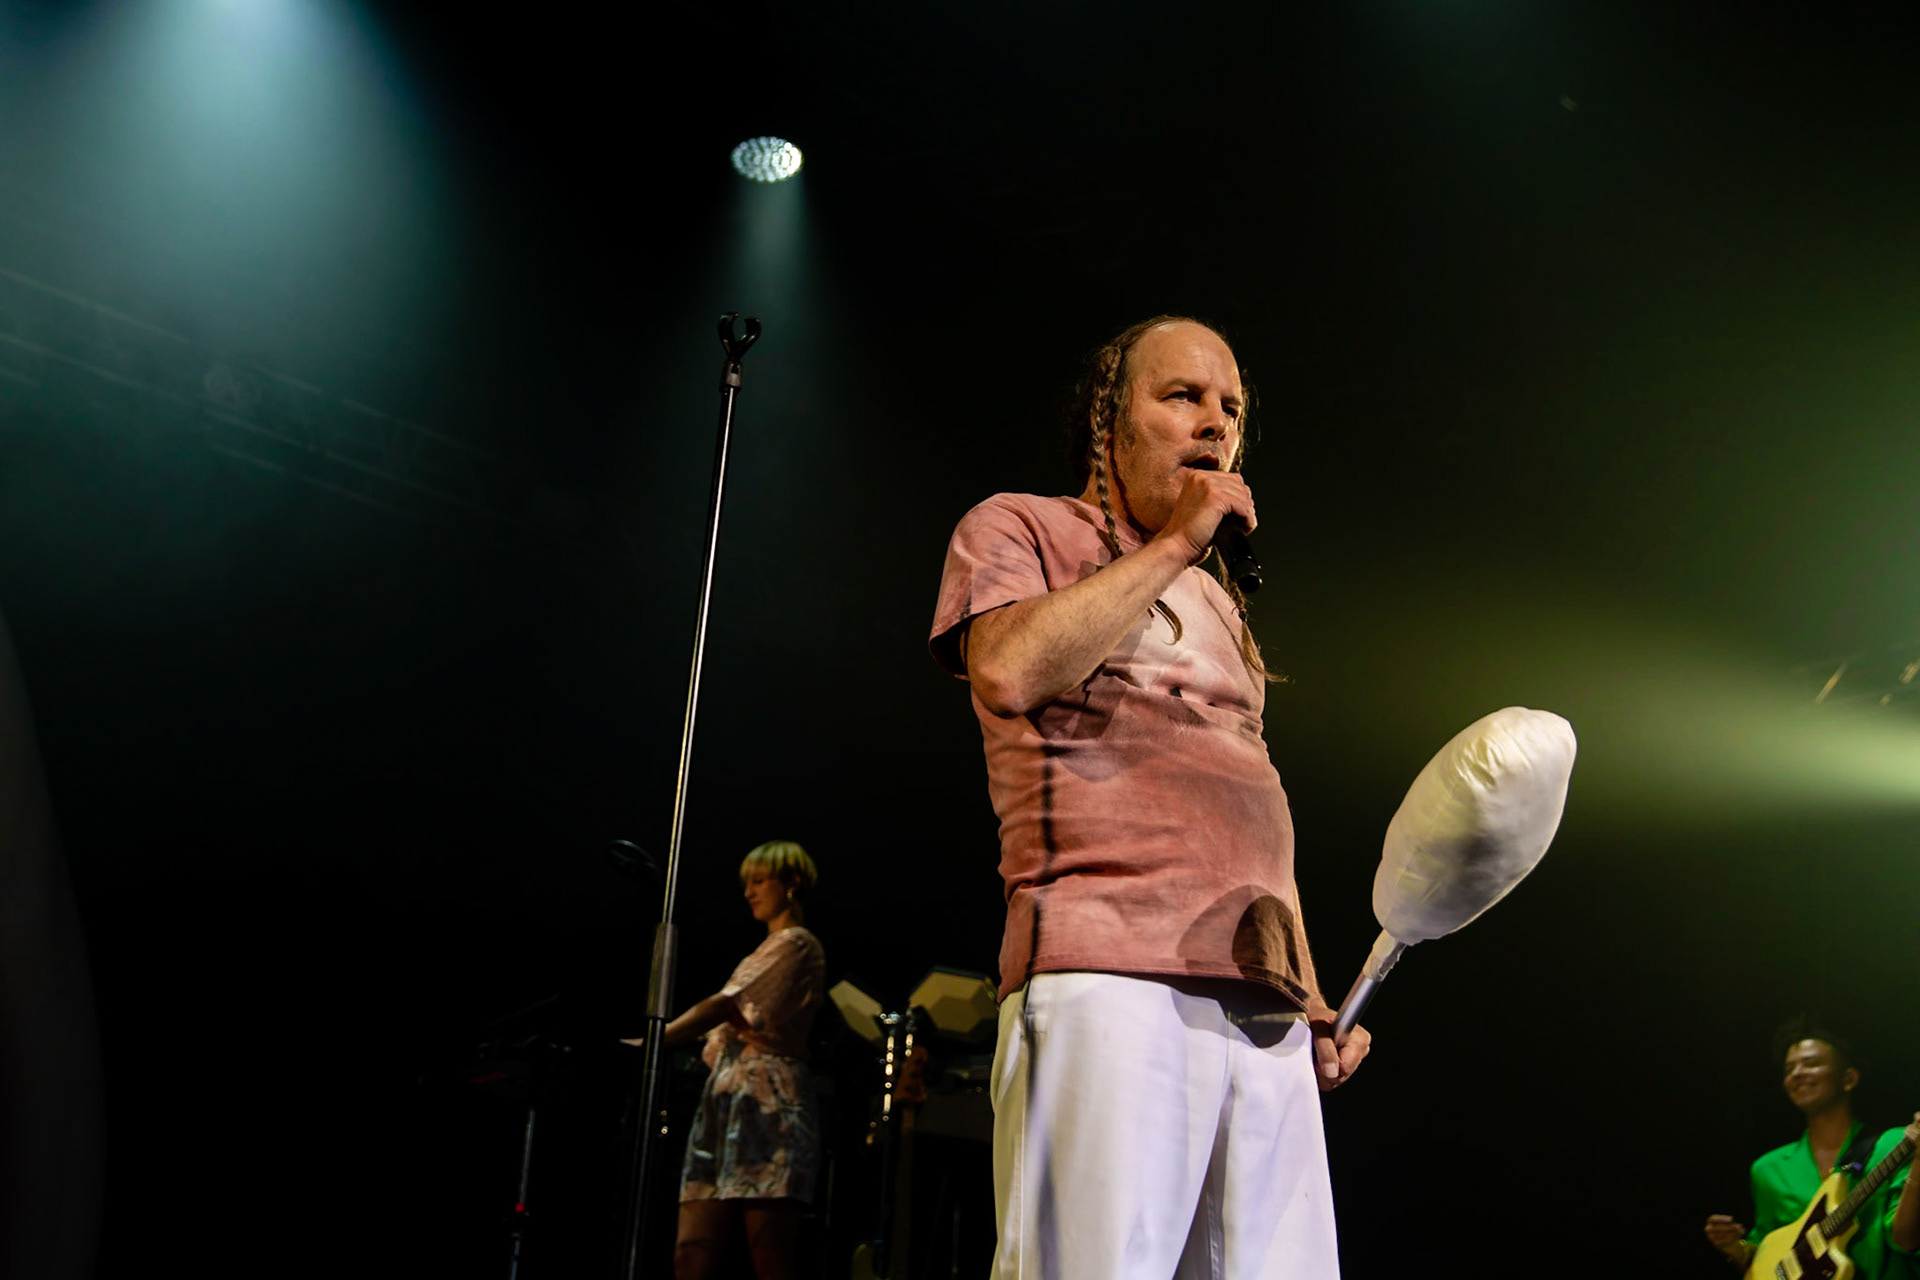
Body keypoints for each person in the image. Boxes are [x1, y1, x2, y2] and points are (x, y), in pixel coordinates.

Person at [929, 316, 1370, 1279]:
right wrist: (1176, 544)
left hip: (1260, 1010)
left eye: (1231, 408)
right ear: (1107, 418)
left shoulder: (1220, 601)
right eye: (1181, 398)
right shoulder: (1017, 525)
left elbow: (1250, 798)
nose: (1214, 424)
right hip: (1103, 975)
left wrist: (1308, 988)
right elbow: (1004, 669)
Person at [626, 840, 826, 1280]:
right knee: (690, 1251)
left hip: (769, 1100)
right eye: (746, 883)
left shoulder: (795, 944)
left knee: (768, 1252)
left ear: (791, 882)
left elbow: (726, 1005)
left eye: (759, 881)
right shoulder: (762, 951)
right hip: (725, 1097)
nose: (748, 892)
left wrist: (655, 1040)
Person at [1703, 1019, 1920, 1277]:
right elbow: (1764, 1254)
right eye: (1789, 1069)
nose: (1797, 1074)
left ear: (1848, 1078)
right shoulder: (1768, 1169)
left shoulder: (1892, 1144)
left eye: (1811, 1063)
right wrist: (1736, 1248)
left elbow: (1906, 1240)